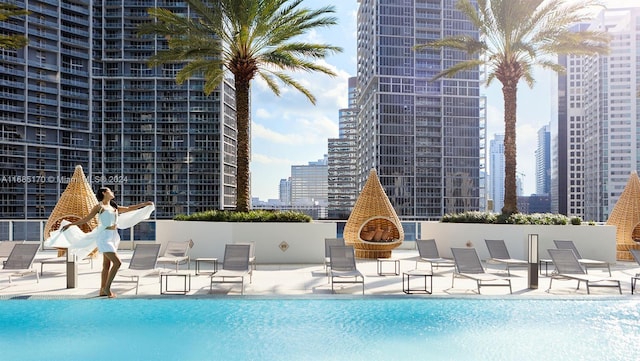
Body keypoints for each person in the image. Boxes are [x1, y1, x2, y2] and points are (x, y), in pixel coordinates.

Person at [48, 187, 154, 298]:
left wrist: (145, 204)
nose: (112, 192)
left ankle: (102, 290)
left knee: (106, 265)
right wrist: (71, 224)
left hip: (114, 237)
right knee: (118, 263)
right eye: (110, 191)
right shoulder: (99, 207)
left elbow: (128, 208)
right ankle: (108, 288)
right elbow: (86, 219)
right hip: (104, 237)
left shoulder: (113, 207)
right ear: (104, 193)